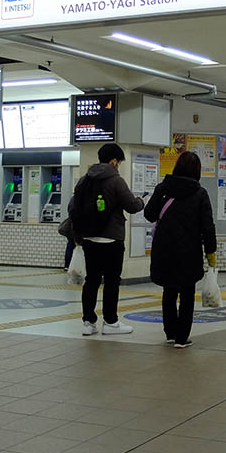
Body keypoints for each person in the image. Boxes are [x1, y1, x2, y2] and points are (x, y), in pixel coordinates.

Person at [144, 151, 216, 348]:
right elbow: (207, 226)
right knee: (186, 293)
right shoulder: (200, 194)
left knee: (169, 291)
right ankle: (182, 338)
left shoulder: (163, 188)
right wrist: (211, 251)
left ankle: (170, 332)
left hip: (164, 249)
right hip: (189, 251)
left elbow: (149, 214)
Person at [73, 143, 144, 336]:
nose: (118, 166)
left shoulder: (84, 180)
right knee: (112, 281)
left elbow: (73, 206)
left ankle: (88, 323)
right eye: (119, 162)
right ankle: (110, 322)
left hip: (89, 238)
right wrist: (141, 201)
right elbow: (131, 206)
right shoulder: (116, 180)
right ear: (114, 161)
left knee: (92, 280)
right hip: (111, 239)